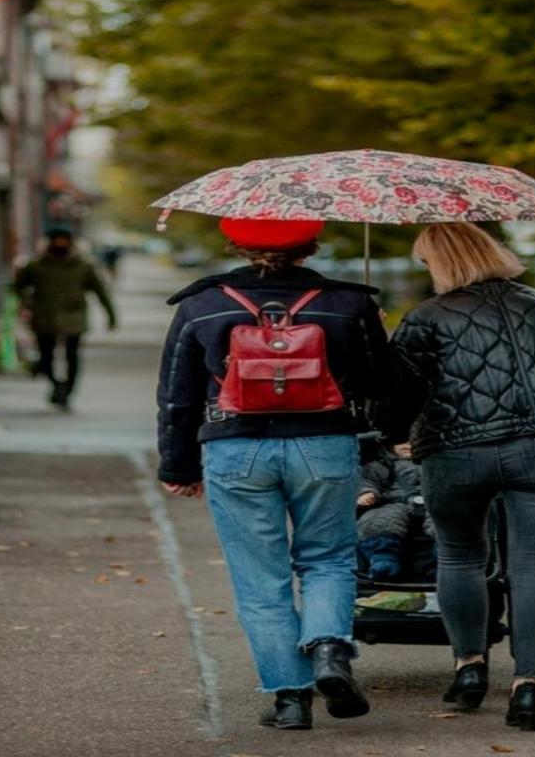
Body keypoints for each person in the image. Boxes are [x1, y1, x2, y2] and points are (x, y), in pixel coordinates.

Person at [156, 217, 409, 732]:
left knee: (260, 579)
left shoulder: (203, 303)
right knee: (329, 558)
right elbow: (383, 384)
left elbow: (176, 397)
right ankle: (329, 649)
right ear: (311, 244)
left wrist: (178, 466)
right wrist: (372, 331)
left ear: (236, 243)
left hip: (235, 448)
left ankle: (291, 700)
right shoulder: (346, 301)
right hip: (325, 446)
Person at [392, 222, 535, 733]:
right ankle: (528, 688)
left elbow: (396, 397)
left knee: (460, 555)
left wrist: (391, 430)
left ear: (441, 262)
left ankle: (469, 670)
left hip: (457, 454)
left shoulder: (425, 318)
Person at [14, 225, 116, 409]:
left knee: (72, 357)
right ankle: (57, 384)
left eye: (64, 241)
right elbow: (18, 287)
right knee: (45, 358)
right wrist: (28, 302)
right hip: (44, 318)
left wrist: (111, 316)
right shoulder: (36, 266)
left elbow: (100, 292)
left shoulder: (84, 266)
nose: (60, 244)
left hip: (73, 317)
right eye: (56, 240)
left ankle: (66, 392)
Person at [357, 441, 435, 580]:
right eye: (401, 440)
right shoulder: (380, 465)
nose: (408, 444)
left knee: (446, 521)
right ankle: (382, 557)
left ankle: (447, 561)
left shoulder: (435, 462)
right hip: (392, 503)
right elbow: (366, 481)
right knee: (382, 519)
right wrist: (367, 493)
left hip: (433, 503)